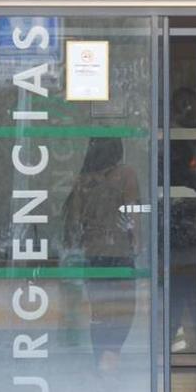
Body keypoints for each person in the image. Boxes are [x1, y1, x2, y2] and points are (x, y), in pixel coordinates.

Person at [63, 138, 140, 375]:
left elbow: (74, 221)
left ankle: (102, 359)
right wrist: (137, 241)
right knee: (125, 309)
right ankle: (111, 354)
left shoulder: (83, 179)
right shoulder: (126, 174)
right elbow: (132, 209)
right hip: (119, 252)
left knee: (100, 312)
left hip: (92, 253)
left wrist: (74, 247)